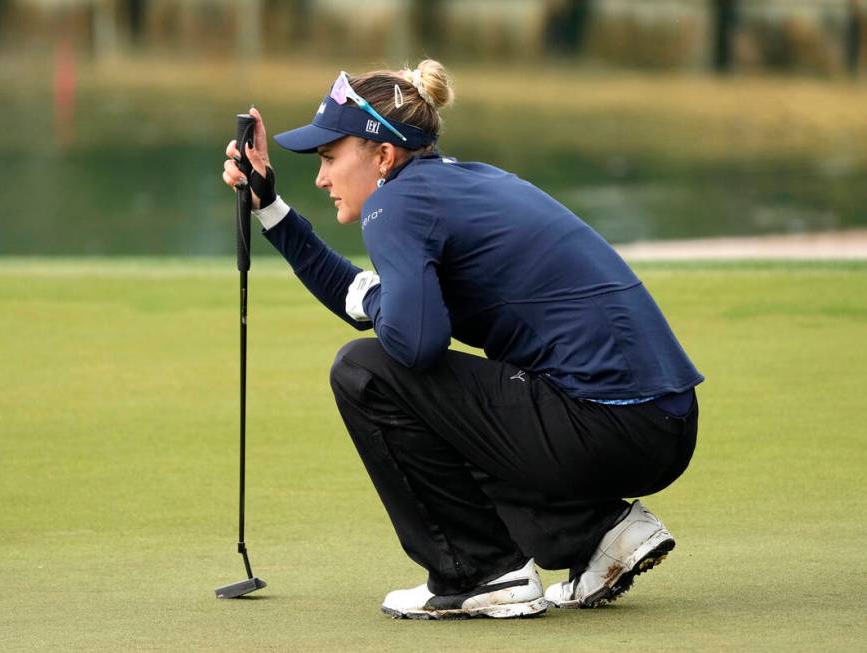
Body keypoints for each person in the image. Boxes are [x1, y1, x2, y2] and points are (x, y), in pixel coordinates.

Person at [221, 60, 702, 620]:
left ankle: (478, 572)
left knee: (365, 372)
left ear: (382, 155)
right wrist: (273, 211)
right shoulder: (458, 183)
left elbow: (413, 345)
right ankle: (596, 535)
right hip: (658, 424)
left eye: (330, 157)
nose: (322, 177)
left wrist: (380, 302)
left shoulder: (395, 203)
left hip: (606, 424)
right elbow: (376, 307)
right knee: (427, 391)